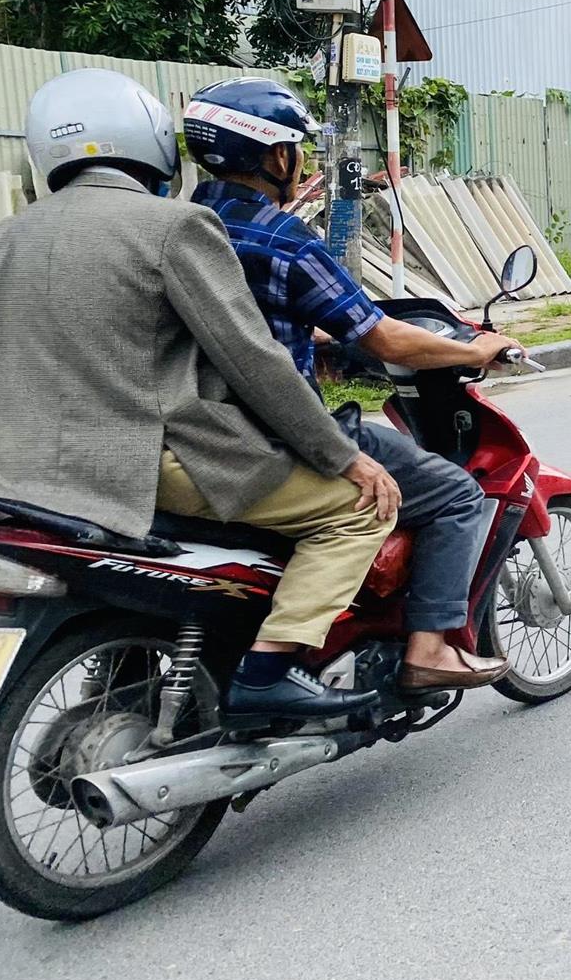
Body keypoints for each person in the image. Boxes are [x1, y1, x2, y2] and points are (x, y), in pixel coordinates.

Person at [0, 70, 395, 720]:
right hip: (145, 465)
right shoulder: (175, 226)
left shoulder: (0, 239)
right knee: (356, 512)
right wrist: (346, 458)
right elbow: (255, 361)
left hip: (15, 476)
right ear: (150, 144)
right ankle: (267, 673)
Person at [182, 78, 514, 695]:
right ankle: (430, 648)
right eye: (295, 147)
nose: (301, 159)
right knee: (456, 494)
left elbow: (240, 323)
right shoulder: (284, 239)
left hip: (194, 427)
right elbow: (385, 339)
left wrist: (318, 336)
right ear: (275, 157)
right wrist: (473, 351)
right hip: (281, 431)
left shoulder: (181, 225)